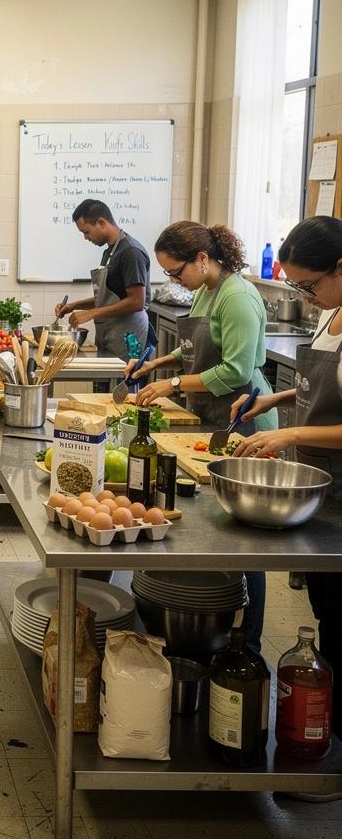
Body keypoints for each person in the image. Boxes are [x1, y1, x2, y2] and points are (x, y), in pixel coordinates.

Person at [131, 220, 275, 650]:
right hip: (214, 415)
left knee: (246, 542)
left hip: (244, 421)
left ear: (203, 259)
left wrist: (173, 386)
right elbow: (193, 350)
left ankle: (246, 640)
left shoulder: (239, 299)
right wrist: (158, 364)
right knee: (216, 527)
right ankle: (206, 619)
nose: (176, 281)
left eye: (177, 273)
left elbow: (236, 370)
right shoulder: (208, 292)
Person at [232, 216, 342, 779]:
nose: (305, 296)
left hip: (339, 495)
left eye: (311, 285)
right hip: (320, 493)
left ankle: (330, 755)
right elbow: (314, 389)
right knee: (327, 612)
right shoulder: (332, 315)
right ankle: (322, 742)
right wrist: (271, 399)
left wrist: (292, 432)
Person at [54, 199, 151, 358]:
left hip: (129, 338)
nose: (86, 238)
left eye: (86, 231)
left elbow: (136, 301)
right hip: (111, 334)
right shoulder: (110, 252)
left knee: (124, 382)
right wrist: (74, 306)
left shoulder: (130, 252)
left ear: (101, 222)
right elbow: (110, 299)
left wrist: (91, 313)